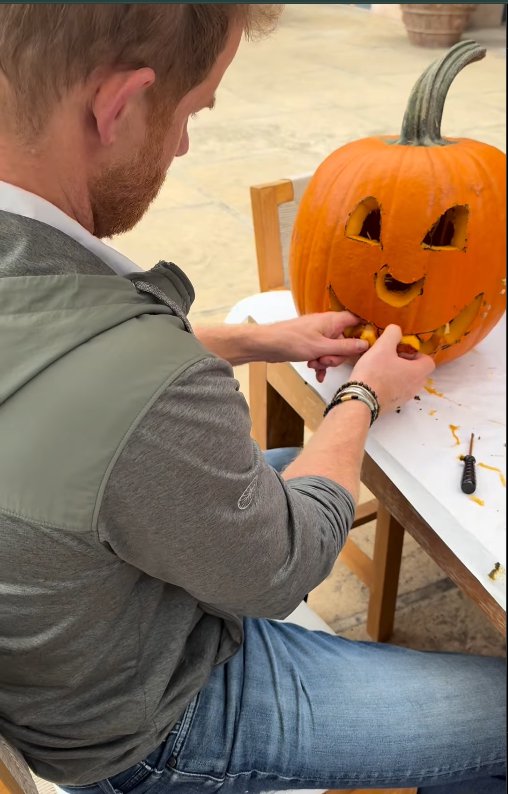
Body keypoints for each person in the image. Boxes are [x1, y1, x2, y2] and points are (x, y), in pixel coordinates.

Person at [0, 5, 505, 794]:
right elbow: (281, 570)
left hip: (61, 632)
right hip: (141, 725)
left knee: (278, 467)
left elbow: (56, 352)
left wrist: (255, 341)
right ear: (119, 106)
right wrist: (363, 397)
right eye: (192, 111)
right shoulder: (145, 380)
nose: (186, 144)